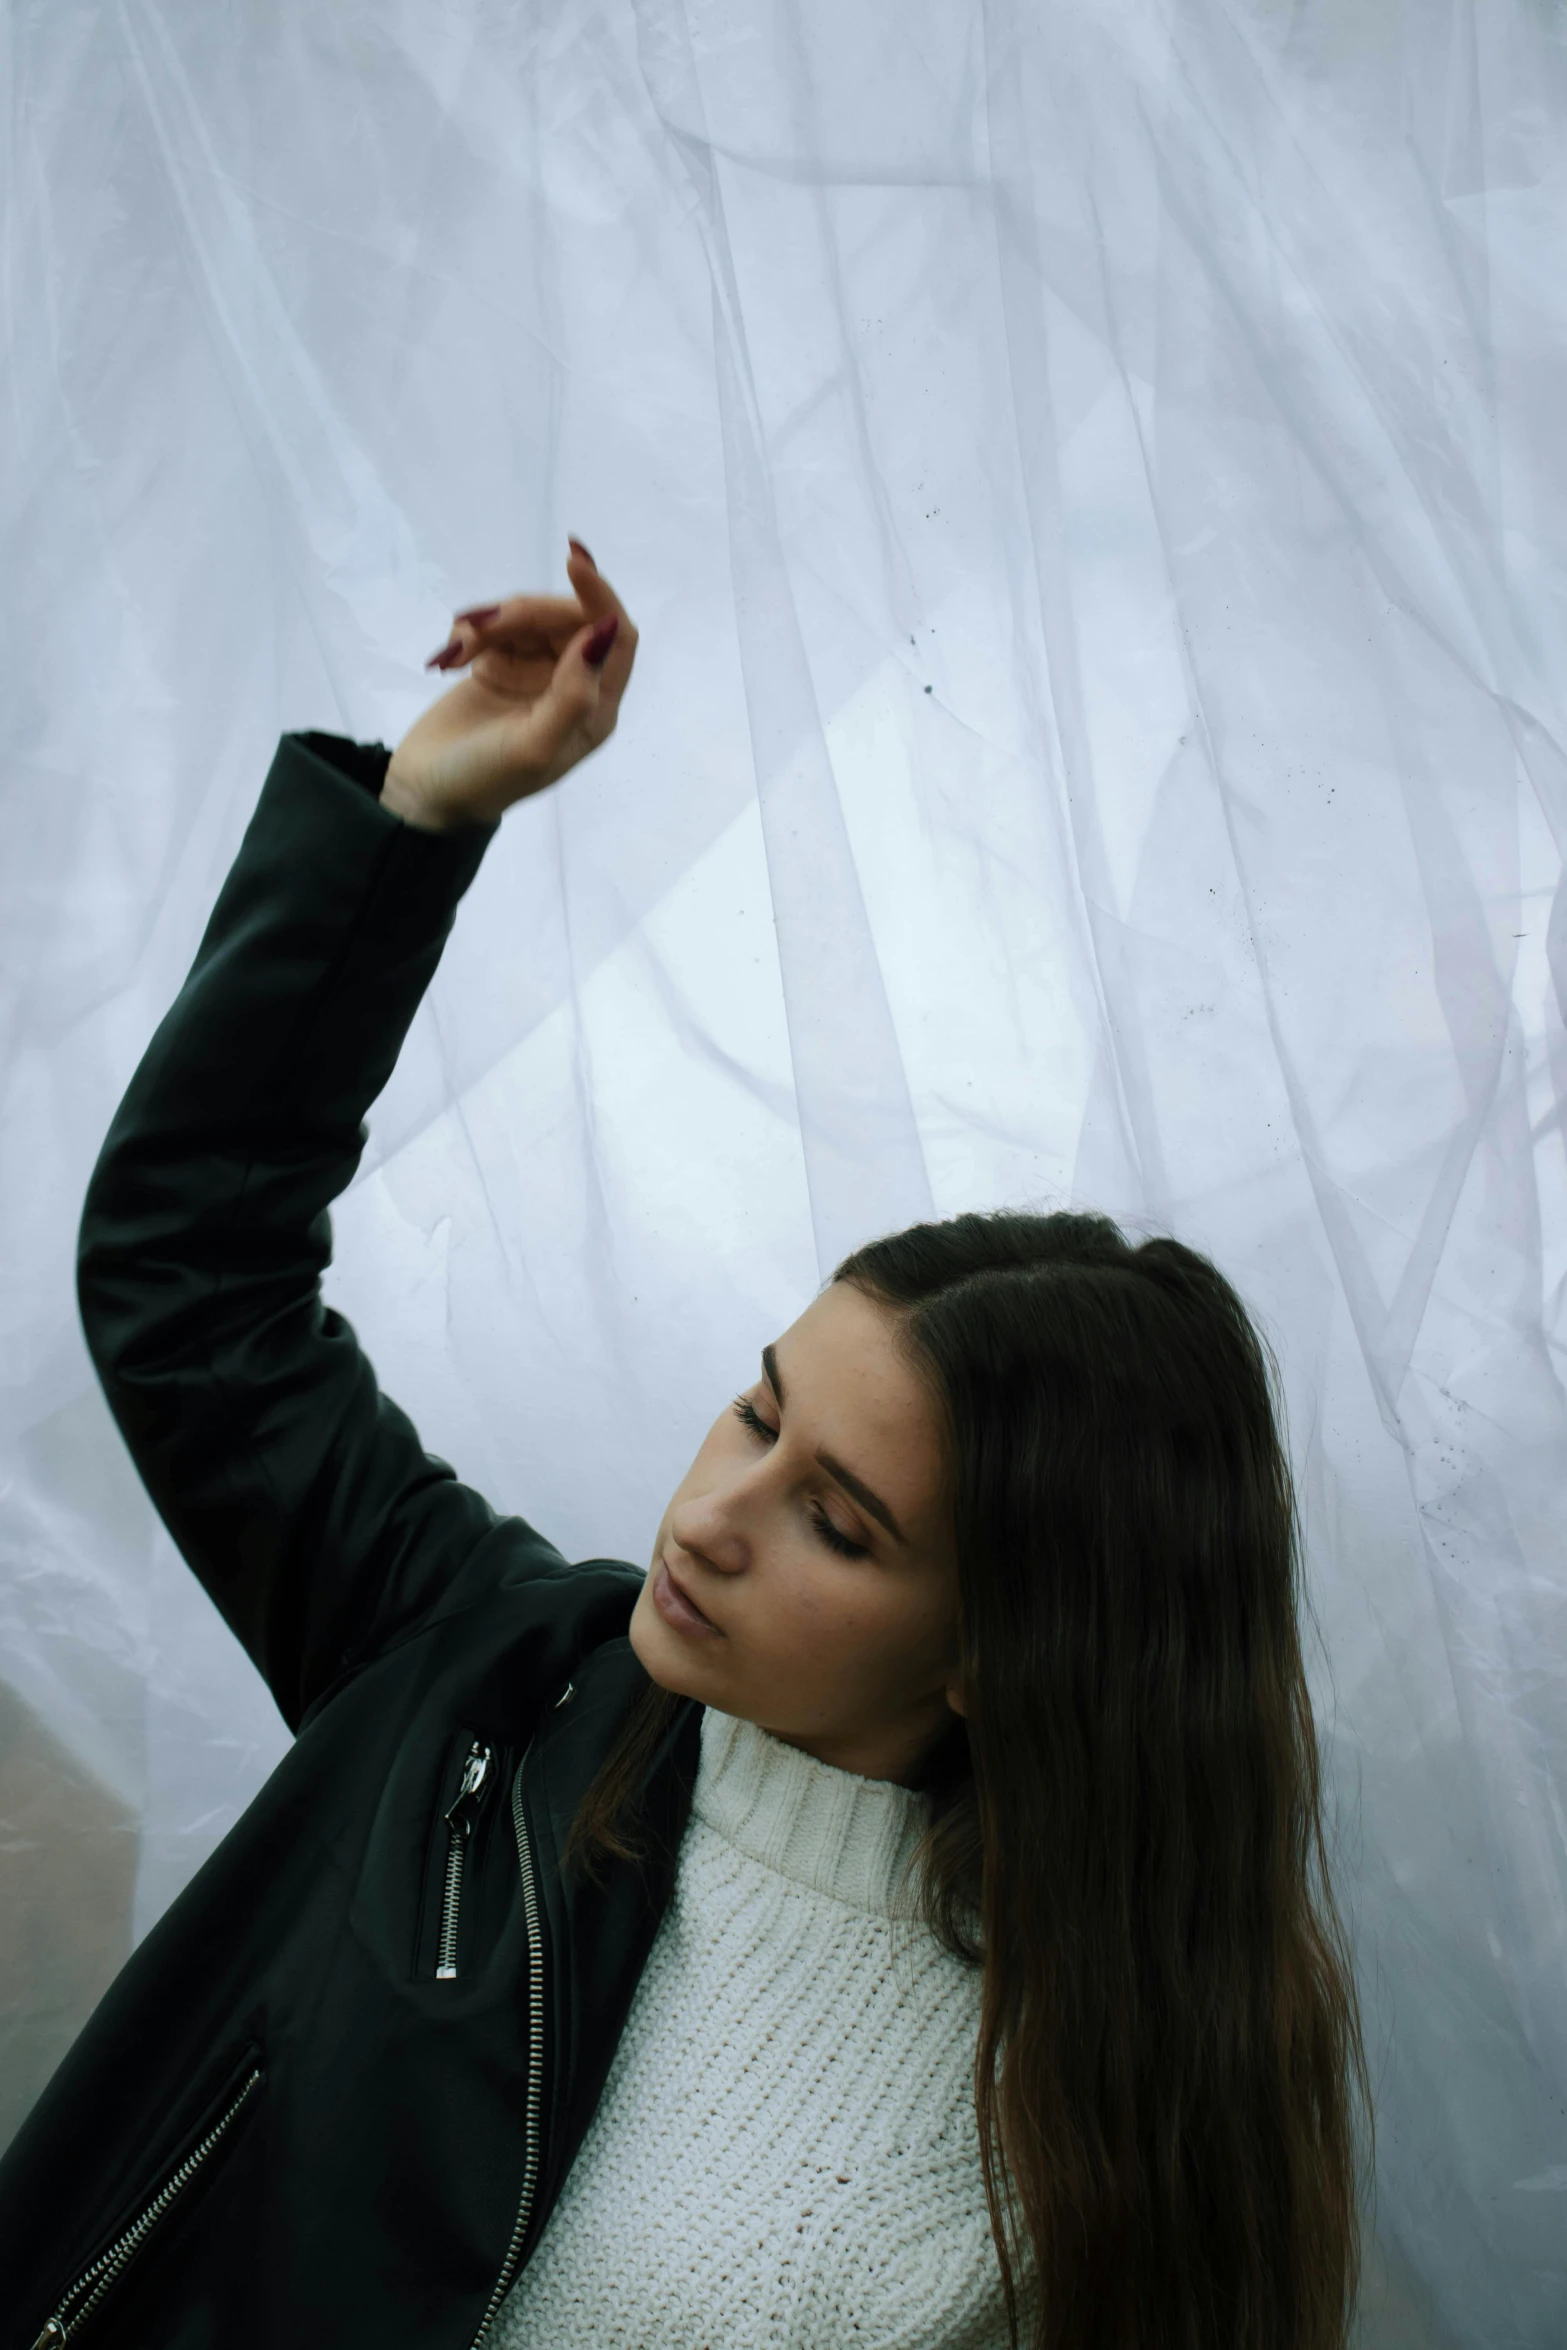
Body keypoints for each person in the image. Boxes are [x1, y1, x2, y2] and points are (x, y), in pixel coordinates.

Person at [0, 543, 1372, 2350]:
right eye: (757, 1407)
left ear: (994, 1652)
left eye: (840, 1523)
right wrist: (413, 816)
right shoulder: (500, 1680)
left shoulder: (1069, 2164)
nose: (711, 1517)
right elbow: (194, 1289)